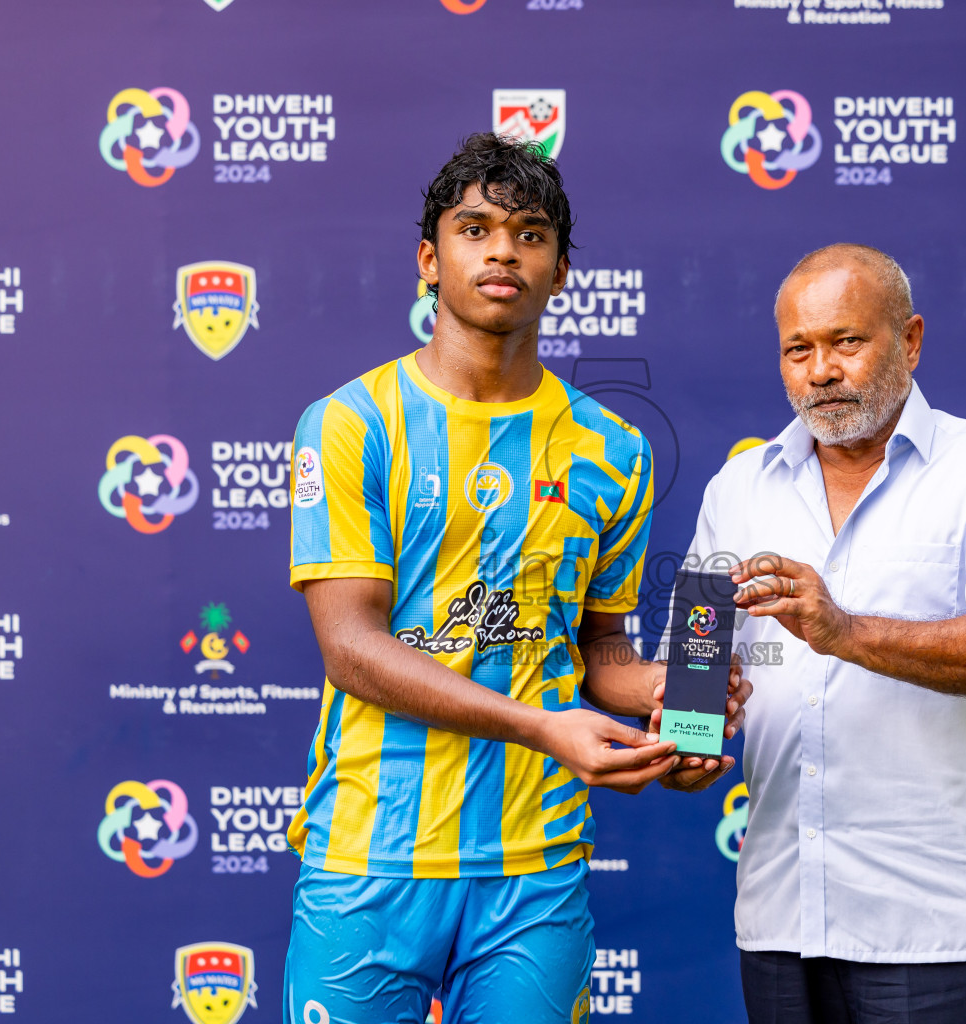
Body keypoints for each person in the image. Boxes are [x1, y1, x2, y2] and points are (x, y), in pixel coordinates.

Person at [281, 133, 750, 1024]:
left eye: (531, 234)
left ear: (561, 270)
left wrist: (672, 699)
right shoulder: (348, 423)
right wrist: (542, 725)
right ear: (429, 258)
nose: (503, 250)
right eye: (475, 228)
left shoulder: (611, 450)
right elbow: (351, 649)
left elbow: (599, 648)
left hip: (536, 867)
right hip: (369, 856)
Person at [685, 244, 966, 1024]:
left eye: (845, 342)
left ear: (911, 340)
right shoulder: (738, 488)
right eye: (799, 349)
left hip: (930, 925)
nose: (820, 370)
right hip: (780, 914)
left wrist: (843, 629)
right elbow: (697, 660)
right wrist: (688, 742)